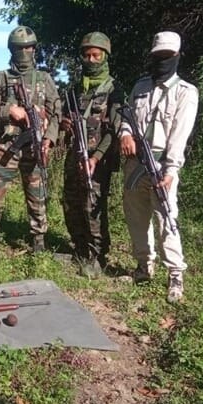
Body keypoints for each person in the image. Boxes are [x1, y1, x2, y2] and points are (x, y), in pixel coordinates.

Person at [119, 31, 198, 303]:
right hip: (134, 163)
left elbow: (180, 135)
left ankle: (175, 274)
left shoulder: (185, 92)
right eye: (158, 56)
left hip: (161, 165)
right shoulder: (141, 86)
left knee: (166, 218)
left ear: (177, 56)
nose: (162, 60)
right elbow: (127, 117)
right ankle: (143, 267)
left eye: (167, 56)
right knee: (136, 217)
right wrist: (125, 134)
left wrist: (171, 170)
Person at [0, 26, 61, 264]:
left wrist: (49, 139)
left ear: (34, 49)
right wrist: (10, 111)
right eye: (19, 48)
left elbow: (56, 111)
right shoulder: (1, 78)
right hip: (7, 146)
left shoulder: (44, 79)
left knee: (37, 195)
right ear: (11, 50)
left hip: (35, 146)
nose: (24, 52)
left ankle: (39, 241)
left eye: (28, 47)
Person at [61, 32, 126, 277]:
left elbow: (115, 130)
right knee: (71, 201)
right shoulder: (77, 88)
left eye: (96, 55)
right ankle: (79, 249)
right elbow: (64, 116)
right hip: (75, 154)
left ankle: (97, 255)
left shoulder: (114, 89)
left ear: (105, 56)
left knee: (93, 206)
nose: (91, 60)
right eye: (87, 55)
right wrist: (66, 124)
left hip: (98, 159)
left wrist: (96, 157)